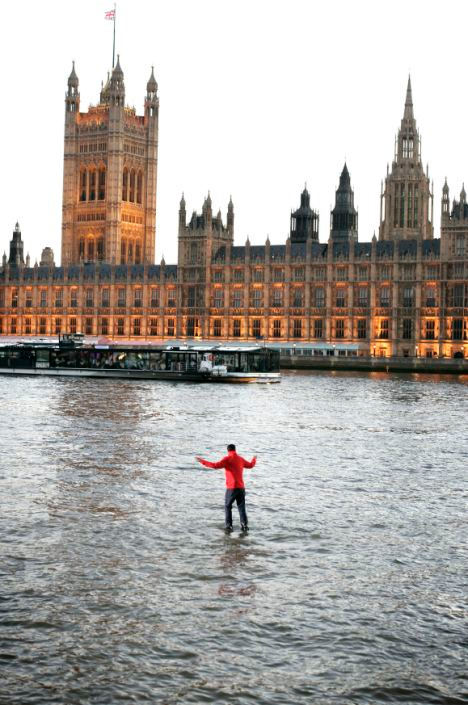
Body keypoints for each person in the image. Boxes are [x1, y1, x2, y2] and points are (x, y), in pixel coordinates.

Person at [195, 444, 256, 533]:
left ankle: (229, 526)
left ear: (228, 451)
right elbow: (250, 465)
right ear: (235, 450)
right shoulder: (240, 459)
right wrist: (254, 459)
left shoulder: (227, 459)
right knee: (241, 507)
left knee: (228, 506)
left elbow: (215, 465)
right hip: (241, 488)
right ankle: (244, 526)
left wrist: (202, 461)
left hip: (231, 488)